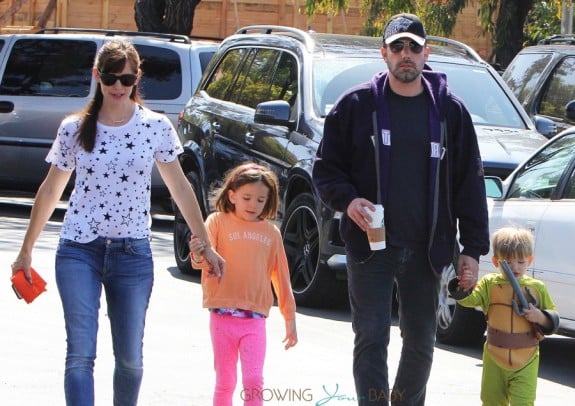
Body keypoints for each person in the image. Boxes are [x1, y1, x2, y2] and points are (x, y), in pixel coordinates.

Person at [10, 39, 224, 406]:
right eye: (110, 78)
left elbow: (180, 187)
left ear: (137, 78)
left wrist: (205, 241)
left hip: (132, 253)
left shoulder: (154, 126)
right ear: (97, 76)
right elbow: (50, 191)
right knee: (80, 353)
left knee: (130, 359)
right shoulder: (74, 128)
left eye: (126, 79)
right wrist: (25, 250)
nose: (118, 87)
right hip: (79, 250)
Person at [312, 13, 490, 406]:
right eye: (397, 47)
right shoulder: (357, 106)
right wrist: (348, 199)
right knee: (372, 337)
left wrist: (472, 250)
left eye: (413, 47)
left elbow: (470, 183)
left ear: (427, 53)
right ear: (384, 54)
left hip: (428, 248)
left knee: (422, 345)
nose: (405, 54)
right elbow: (325, 169)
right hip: (371, 247)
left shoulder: (450, 112)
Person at [189, 162, 298, 406]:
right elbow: (202, 259)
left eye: (261, 200)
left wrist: (289, 318)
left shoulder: (271, 233)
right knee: (225, 381)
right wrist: (198, 252)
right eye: (247, 197)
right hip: (221, 318)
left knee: (253, 380)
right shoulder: (216, 221)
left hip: (254, 321)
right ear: (232, 195)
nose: (253, 205)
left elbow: (281, 276)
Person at [451, 226, 559, 405]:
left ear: (530, 260)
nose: (514, 267)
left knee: (523, 402)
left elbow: (553, 319)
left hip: (527, 358)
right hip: (494, 356)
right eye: (507, 262)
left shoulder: (537, 288)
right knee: (491, 401)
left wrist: (538, 316)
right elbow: (469, 301)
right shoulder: (489, 284)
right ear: (496, 262)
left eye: (521, 262)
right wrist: (463, 286)